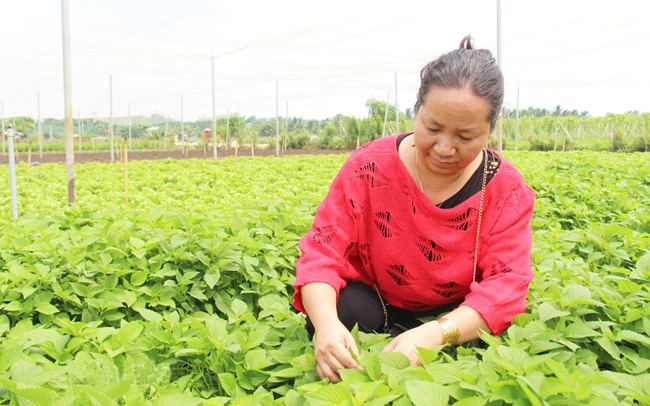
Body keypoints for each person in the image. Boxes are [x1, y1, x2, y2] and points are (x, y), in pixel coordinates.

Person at [292, 36, 536, 383]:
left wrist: (435, 334)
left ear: (491, 129)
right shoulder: (369, 166)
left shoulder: (505, 189)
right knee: (343, 313)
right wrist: (327, 327)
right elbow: (322, 251)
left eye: (466, 137)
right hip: (377, 298)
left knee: (479, 336)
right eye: (432, 128)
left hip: (456, 310)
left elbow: (506, 284)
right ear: (416, 109)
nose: (444, 148)